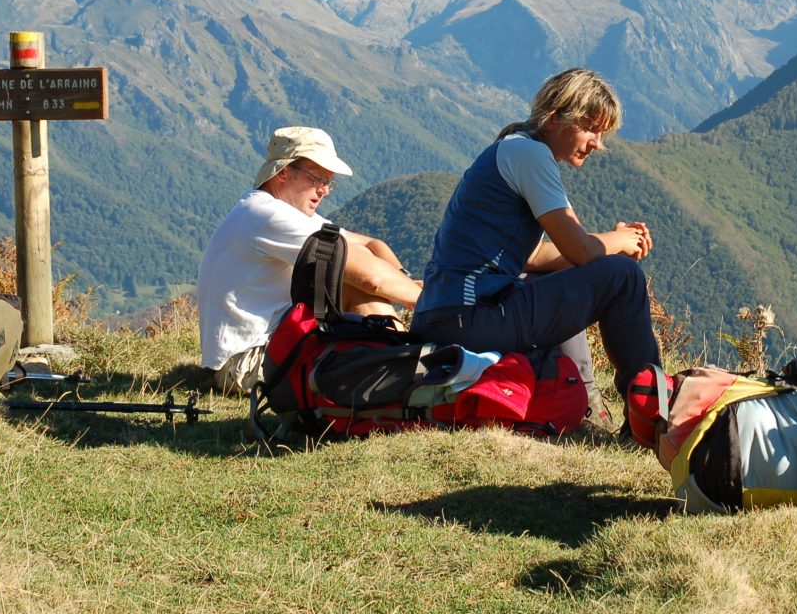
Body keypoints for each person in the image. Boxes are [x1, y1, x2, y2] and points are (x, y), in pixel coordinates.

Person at [410, 68, 661, 433]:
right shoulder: (530, 155)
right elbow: (582, 250)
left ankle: (585, 402)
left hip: (445, 315)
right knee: (622, 277)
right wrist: (620, 242)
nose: (597, 143)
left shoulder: (513, 148)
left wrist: (602, 249)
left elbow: (531, 256)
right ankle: (650, 414)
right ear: (557, 116)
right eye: (591, 127)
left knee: (567, 275)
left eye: (603, 133)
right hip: (470, 316)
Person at [197, 126, 420, 394]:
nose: (325, 190)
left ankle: (402, 368)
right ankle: (405, 374)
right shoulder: (268, 216)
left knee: (348, 279)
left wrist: (403, 278)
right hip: (247, 364)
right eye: (317, 179)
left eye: (329, 182)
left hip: (270, 347)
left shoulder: (279, 211)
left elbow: (372, 244)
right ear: (283, 173)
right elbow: (372, 278)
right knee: (354, 284)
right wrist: (427, 299)